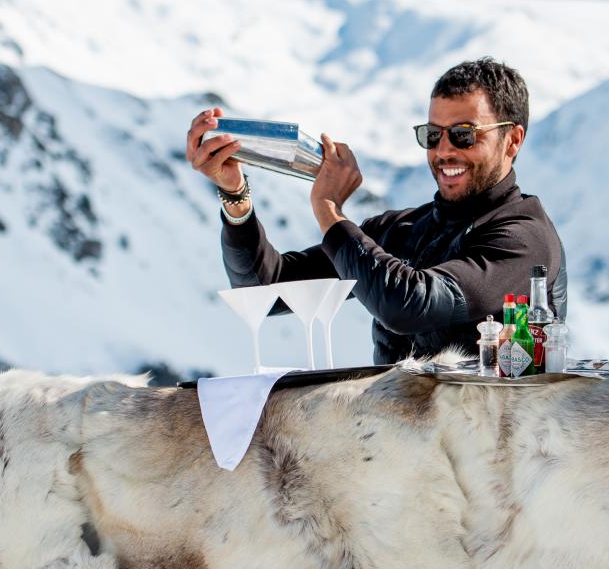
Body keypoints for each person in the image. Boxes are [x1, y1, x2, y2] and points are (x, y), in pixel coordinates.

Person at [186, 58, 567, 364]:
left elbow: (410, 306)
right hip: (395, 453)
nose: (444, 150)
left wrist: (329, 209)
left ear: (512, 140)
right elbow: (266, 291)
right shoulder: (399, 230)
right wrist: (234, 193)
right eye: (433, 135)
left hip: (488, 457)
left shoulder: (524, 239)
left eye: (464, 134)